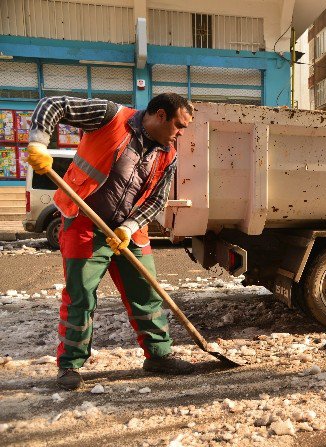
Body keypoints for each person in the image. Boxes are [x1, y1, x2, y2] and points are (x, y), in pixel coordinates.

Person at [25, 93, 195, 390]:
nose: (181, 133)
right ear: (160, 115)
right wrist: (39, 142)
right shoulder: (111, 116)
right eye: (179, 125)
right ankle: (69, 366)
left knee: (147, 292)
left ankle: (158, 355)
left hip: (129, 230)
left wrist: (129, 227)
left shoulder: (169, 153)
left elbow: (157, 200)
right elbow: (53, 104)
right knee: (81, 296)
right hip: (84, 221)